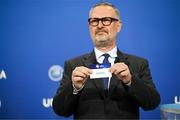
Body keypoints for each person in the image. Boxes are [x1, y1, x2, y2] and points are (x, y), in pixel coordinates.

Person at [52, 2, 160, 119]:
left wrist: (130, 81)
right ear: (89, 27)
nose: (99, 26)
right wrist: (75, 87)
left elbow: (152, 103)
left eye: (106, 20)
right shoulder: (73, 65)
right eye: (94, 21)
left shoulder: (138, 64)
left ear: (118, 26)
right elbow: (60, 110)